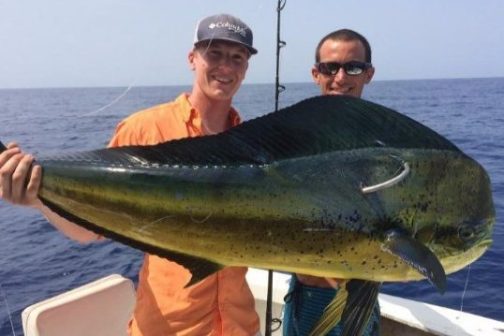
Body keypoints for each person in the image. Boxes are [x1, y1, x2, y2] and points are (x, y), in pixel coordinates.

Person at [0, 13, 261, 336]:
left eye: (237, 57)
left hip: (241, 327)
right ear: (192, 59)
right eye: (215, 53)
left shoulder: (251, 144)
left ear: (246, 69)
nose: (226, 66)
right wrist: (37, 199)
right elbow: (90, 229)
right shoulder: (145, 128)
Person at [282, 29, 380, 336]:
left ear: (368, 74)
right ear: (315, 73)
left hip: (359, 299)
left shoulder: (383, 145)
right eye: (329, 68)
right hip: (304, 294)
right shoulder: (291, 142)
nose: (340, 77)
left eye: (353, 67)